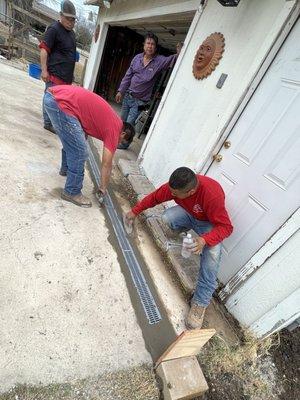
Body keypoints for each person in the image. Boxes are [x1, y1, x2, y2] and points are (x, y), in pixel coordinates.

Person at [125, 167, 233, 329]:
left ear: (191, 192)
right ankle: (182, 230)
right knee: (167, 217)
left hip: (208, 224)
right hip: (189, 214)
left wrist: (205, 240)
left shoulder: (212, 195)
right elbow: (155, 198)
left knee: (212, 256)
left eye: (175, 194)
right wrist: (134, 212)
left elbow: (226, 227)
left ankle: (200, 303)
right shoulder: (175, 186)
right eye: (171, 191)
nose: (171, 194)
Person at [44, 85, 135, 208]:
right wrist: (103, 188)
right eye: (121, 141)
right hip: (61, 104)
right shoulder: (116, 128)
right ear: (123, 133)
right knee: (80, 152)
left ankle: (66, 170)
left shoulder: (109, 120)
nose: (117, 144)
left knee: (73, 144)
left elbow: (84, 127)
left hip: (53, 97)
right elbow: (107, 164)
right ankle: (72, 192)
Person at [115, 33, 182, 149]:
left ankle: (124, 144)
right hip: (128, 96)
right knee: (122, 121)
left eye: (152, 44)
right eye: (148, 43)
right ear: (144, 45)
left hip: (140, 102)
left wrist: (179, 52)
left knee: (130, 124)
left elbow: (173, 58)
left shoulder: (159, 61)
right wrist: (120, 91)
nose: (150, 46)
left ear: (155, 47)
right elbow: (128, 76)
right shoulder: (137, 58)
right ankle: (117, 139)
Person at [39, 0, 77, 134]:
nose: (71, 22)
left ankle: (55, 121)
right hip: (54, 75)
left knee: (60, 103)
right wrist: (44, 70)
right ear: (61, 15)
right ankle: (48, 123)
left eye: (73, 20)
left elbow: (70, 55)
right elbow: (44, 50)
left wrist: (71, 75)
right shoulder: (54, 29)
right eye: (68, 19)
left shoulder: (72, 34)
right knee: (50, 100)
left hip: (66, 78)